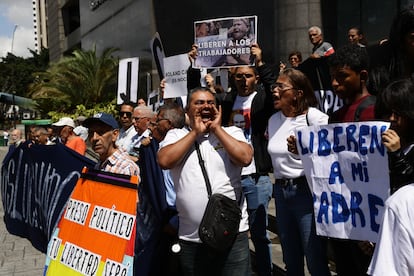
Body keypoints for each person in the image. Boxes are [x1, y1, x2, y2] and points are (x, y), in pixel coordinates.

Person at [157, 87, 253, 276]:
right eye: (199, 103)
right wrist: (195, 133)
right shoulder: (176, 136)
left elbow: (245, 158)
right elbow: (165, 161)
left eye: (210, 102)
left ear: (218, 108)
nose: (205, 106)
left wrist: (216, 129)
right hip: (192, 239)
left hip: (232, 235)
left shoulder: (232, 132)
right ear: (187, 110)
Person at [267, 68, 331, 276]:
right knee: (290, 258)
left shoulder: (316, 118)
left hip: (306, 192)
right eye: (274, 86)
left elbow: (329, 157)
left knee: (314, 257)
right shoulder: (274, 120)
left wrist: (303, 151)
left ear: (298, 93)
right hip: (281, 193)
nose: (275, 91)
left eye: (281, 87)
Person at [327, 43, 376, 276]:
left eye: (342, 77)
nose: (335, 83)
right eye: (332, 77)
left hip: (369, 223)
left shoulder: (377, 112)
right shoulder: (335, 116)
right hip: (342, 219)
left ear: (362, 75)